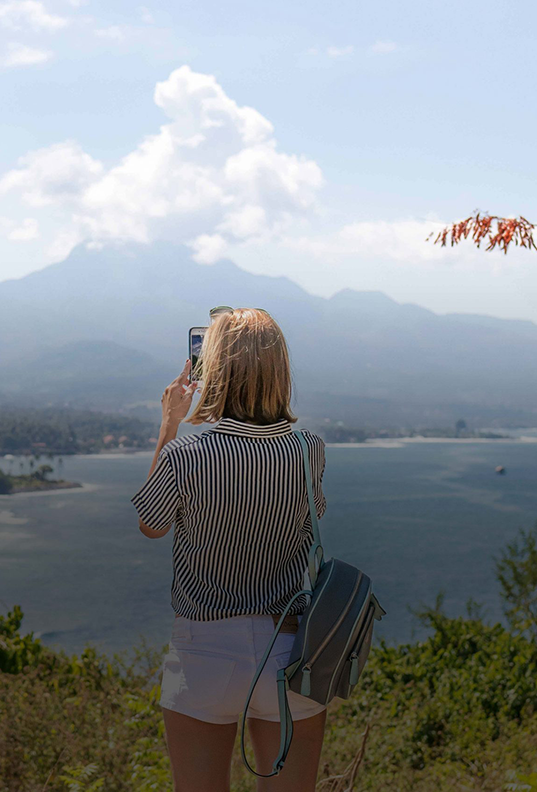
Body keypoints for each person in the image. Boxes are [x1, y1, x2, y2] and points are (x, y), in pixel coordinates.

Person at [131, 307, 327, 792]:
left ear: (213, 370)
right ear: (278, 370)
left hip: (202, 651)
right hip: (289, 649)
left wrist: (170, 423)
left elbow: (151, 525)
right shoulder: (309, 450)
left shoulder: (187, 453)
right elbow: (309, 522)